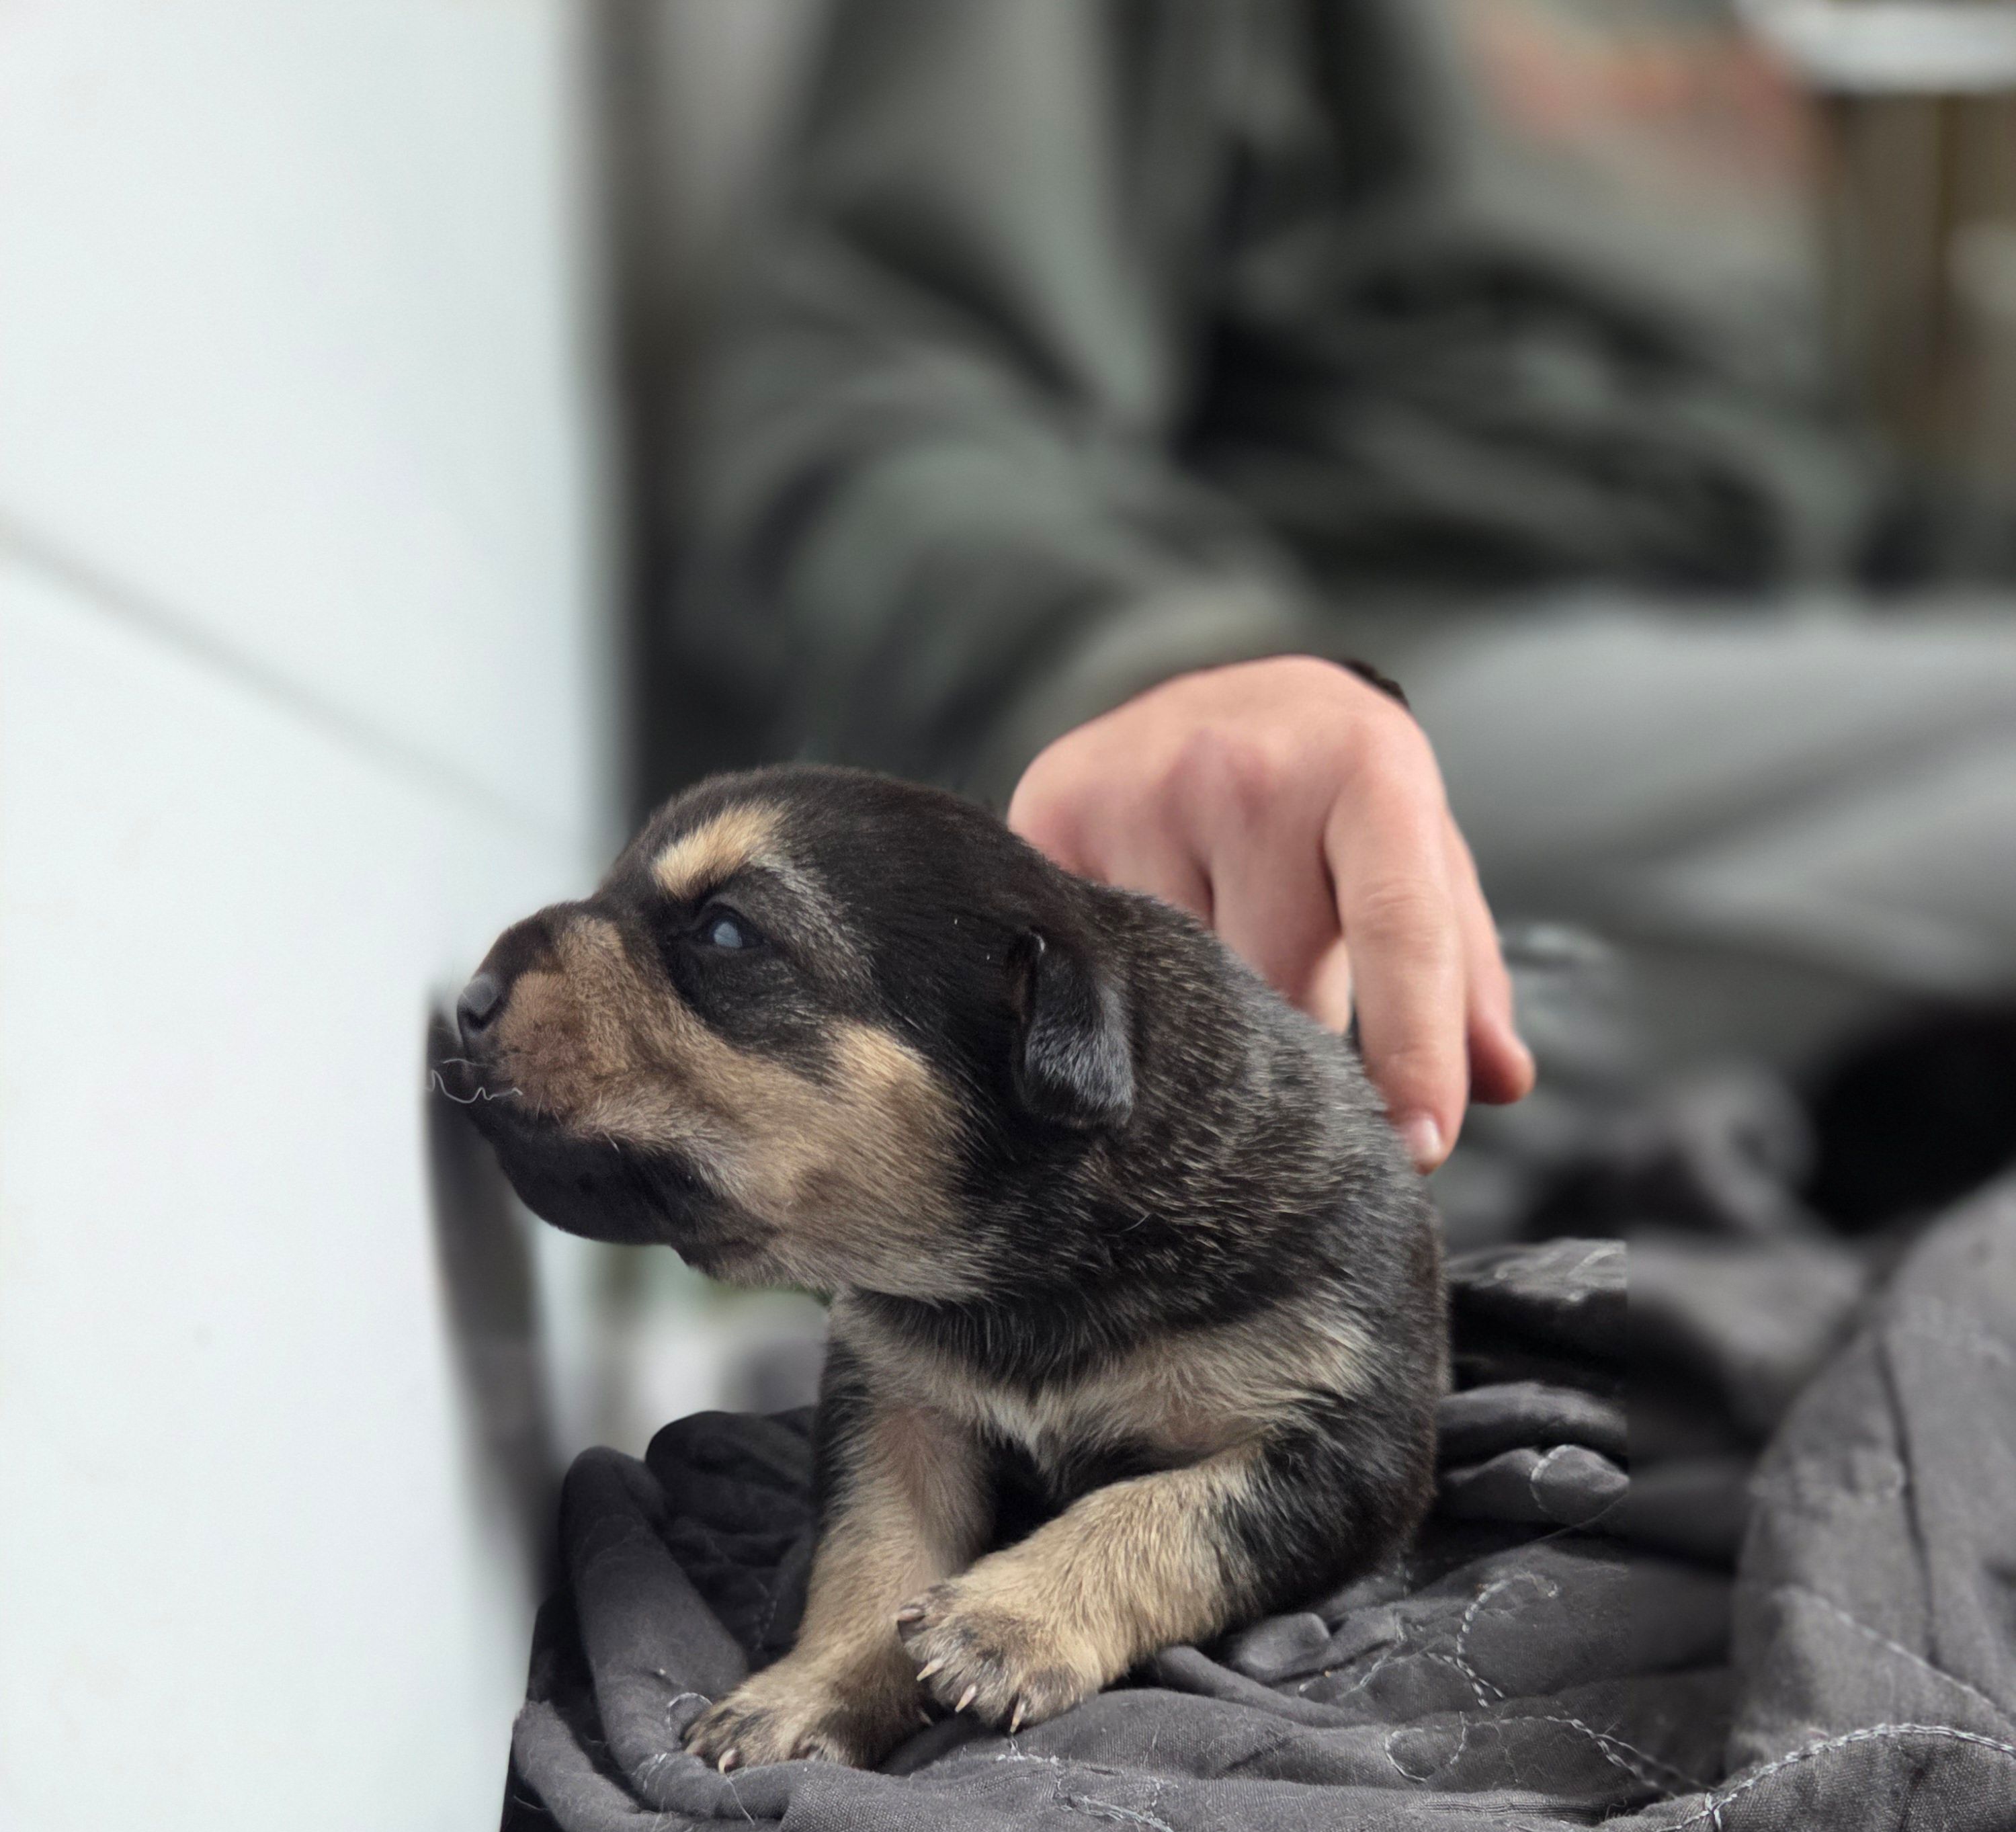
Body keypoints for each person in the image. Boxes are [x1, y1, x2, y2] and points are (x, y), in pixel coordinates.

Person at [670, 0, 2016, 1180]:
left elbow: (1810, 500)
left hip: (1753, 699)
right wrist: (1171, 673)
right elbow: (877, 394)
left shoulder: (1723, 42)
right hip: (1378, 708)